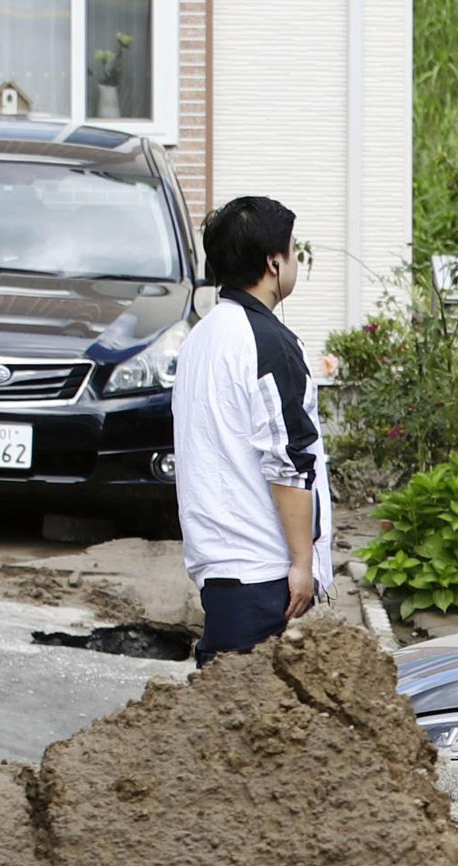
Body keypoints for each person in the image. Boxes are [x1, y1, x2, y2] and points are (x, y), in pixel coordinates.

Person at [172, 195, 332, 662]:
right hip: (262, 570)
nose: (295, 260)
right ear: (273, 262)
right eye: (294, 250)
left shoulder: (201, 336)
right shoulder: (268, 343)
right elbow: (288, 460)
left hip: (220, 562)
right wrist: (303, 562)